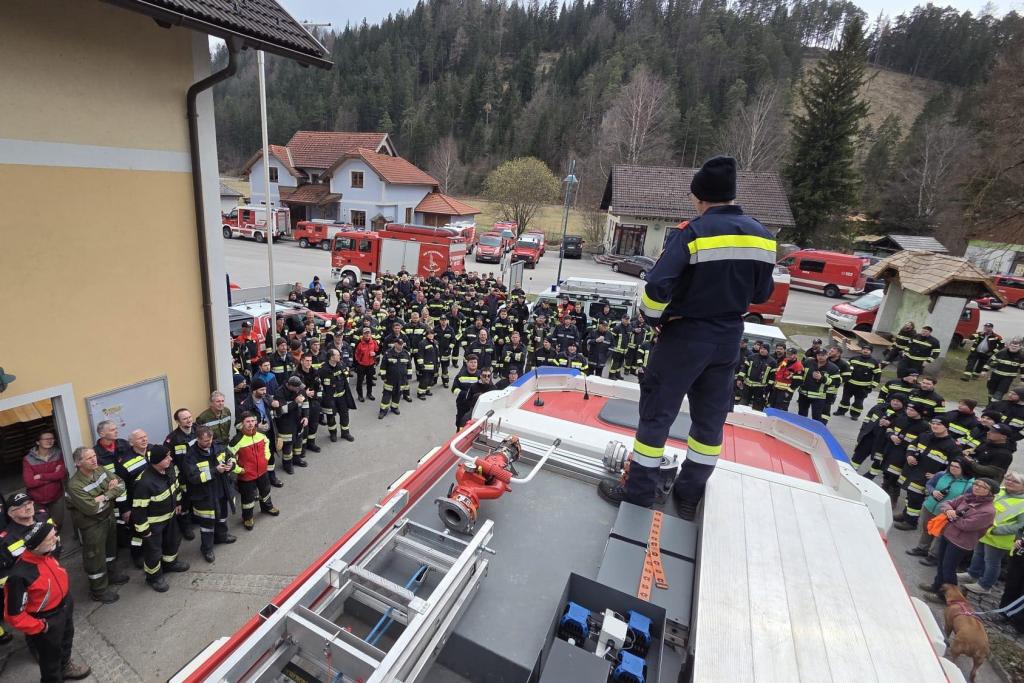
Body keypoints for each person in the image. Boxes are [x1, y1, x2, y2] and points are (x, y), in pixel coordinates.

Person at [597, 156, 776, 516]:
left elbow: (656, 286)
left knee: (657, 415)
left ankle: (639, 493)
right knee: (709, 421)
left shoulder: (693, 233)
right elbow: (761, 294)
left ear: (700, 196)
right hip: (728, 338)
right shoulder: (763, 237)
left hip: (685, 336)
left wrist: (652, 319)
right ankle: (689, 494)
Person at [4, 522, 92, 681]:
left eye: (55, 535)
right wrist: (40, 626)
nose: (56, 539)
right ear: (37, 545)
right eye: (51, 538)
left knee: (66, 642)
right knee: (50, 660)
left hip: (64, 608)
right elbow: (14, 616)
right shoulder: (19, 576)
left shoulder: (46, 554)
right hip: (47, 620)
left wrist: (67, 602)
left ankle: (65, 667)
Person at [65, 446, 129, 602]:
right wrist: (109, 493)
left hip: (108, 518)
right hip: (92, 526)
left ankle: (111, 575)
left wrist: (103, 497)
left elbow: (121, 484)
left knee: (110, 551)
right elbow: (92, 509)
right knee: (95, 557)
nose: (94, 459)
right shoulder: (74, 485)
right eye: (89, 458)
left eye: (94, 456)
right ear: (78, 463)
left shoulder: (100, 470)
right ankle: (99, 591)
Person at [920, 478, 997, 599]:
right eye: (976, 484)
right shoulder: (967, 497)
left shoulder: (988, 511)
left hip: (961, 542)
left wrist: (951, 516)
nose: (977, 487)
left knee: (949, 569)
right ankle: (937, 586)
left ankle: (945, 597)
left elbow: (967, 525)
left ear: (991, 492)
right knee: (941, 564)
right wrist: (949, 510)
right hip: (947, 534)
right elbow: (947, 503)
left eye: (983, 487)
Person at [132, 445, 189, 592]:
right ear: (157, 461)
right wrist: (144, 531)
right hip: (153, 524)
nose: (170, 458)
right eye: (166, 457)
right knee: (153, 552)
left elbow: (175, 487)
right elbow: (139, 509)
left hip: (170, 517)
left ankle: (170, 564)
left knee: (172, 542)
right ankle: (154, 577)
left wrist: (178, 502)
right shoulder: (144, 482)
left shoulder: (168, 470)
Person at [959, 471, 1024, 595]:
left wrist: (996, 530)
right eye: (1008, 479)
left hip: (999, 538)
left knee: (992, 562)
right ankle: (972, 574)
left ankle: (985, 585)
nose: (1009, 482)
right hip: (983, 531)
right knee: (978, 554)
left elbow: (1021, 526)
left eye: (1015, 481)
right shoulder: (1000, 490)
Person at [182, 426, 238, 564]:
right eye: (206, 441)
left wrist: (231, 465)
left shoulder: (218, 446)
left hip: (221, 488)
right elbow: (193, 478)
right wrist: (215, 471)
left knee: (223, 516)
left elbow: (231, 456)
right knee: (207, 523)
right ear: (198, 439)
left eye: (211, 439)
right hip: (204, 494)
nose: (209, 443)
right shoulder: (191, 456)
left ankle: (222, 536)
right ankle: (207, 548)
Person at [894, 417, 961, 530]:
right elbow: (912, 445)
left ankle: (911, 522)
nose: (934, 426)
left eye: (938, 424)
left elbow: (955, 465)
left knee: (916, 498)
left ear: (946, 427)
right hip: (912, 471)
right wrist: (909, 455)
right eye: (933, 423)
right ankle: (906, 514)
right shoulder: (924, 436)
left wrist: (938, 475)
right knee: (910, 495)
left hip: (926, 477)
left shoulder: (952, 446)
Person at [906, 459, 973, 566]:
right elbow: (929, 484)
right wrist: (933, 491)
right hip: (930, 506)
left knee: (940, 534)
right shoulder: (941, 474)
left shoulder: (970, 485)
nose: (953, 468)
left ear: (964, 469)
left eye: (957, 467)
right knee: (927, 528)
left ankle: (934, 556)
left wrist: (954, 511)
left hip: (946, 513)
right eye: (951, 465)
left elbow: (967, 501)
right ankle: (922, 548)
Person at [229, 413, 281, 531]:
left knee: (265, 491)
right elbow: (229, 457)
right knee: (248, 499)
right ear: (242, 424)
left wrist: (266, 458)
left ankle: (267, 507)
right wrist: (239, 470)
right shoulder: (236, 440)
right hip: (246, 476)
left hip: (262, 472)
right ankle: (247, 518)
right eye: (248, 421)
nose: (251, 424)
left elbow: (267, 444)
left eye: (252, 421)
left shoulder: (261, 435)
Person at [236, 378, 283, 488]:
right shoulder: (245, 405)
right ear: (254, 391)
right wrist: (257, 426)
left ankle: (272, 477)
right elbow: (238, 425)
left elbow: (278, 415)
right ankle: (258, 482)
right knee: (256, 460)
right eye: (262, 390)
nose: (264, 392)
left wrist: (277, 407)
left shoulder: (267, 399)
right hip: (254, 437)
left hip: (269, 433)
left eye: (265, 389)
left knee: (269, 455)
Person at [163, 408, 197, 541]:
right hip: (183, 477)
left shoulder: (199, 430)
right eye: (185, 419)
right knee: (184, 502)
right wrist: (175, 478)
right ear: (177, 421)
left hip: (198, 473)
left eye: (189, 417)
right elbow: (169, 462)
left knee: (198, 497)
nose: (189, 420)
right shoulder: (172, 439)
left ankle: (196, 517)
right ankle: (185, 526)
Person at [23, 430, 67, 530]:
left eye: (51, 438)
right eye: (46, 439)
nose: (49, 441)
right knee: (41, 527)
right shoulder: (28, 459)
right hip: (36, 499)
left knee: (58, 523)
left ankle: (56, 538)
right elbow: (29, 482)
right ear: (37, 442)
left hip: (56, 496)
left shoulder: (58, 454)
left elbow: (61, 474)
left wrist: (41, 476)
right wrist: (53, 476)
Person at [273, 376, 309, 474]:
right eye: (297, 388)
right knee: (288, 444)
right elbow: (280, 411)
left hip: (298, 419)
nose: (299, 389)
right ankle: (287, 464)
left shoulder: (300, 390)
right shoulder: (279, 393)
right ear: (290, 386)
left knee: (298, 440)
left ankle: (297, 459)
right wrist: (295, 402)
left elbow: (305, 404)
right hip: (285, 423)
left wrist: (306, 417)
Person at [834, 345, 880, 420]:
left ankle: (855, 415)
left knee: (858, 402)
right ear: (861, 350)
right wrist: (844, 378)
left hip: (863, 387)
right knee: (845, 399)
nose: (865, 351)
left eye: (868, 350)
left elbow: (878, 374)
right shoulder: (853, 358)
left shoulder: (874, 362)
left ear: (871, 352)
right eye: (864, 349)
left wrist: (873, 385)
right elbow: (846, 368)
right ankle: (841, 411)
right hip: (850, 384)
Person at [320, 348, 356, 442]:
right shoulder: (323, 370)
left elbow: (346, 376)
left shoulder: (341, 364)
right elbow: (319, 385)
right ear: (331, 357)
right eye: (337, 355)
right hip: (329, 398)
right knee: (330, 417)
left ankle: (345, 433)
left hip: (342, 396)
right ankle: (333, 433)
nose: (340, 356)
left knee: (345, 415)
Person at [292, 353, 324, 453]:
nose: (309, 363)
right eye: (307, 360)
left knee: (314, 424)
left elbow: (319, 387)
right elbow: (293, 391)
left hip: (314, 402)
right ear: (301, 361)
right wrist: (305, 393)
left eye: (310, 361)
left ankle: (311, 443)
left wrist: (317, 398)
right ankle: (302, 447)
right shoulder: (296, 375)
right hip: (302, 404)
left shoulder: (315, 372)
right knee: (303, 426)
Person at [796, 350, 838, 424]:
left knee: (816, 417)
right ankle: (800, 427)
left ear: (827, 355)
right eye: (819, 355)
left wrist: (822, 378)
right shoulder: (808, 362)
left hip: (818, 397)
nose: (820, 357)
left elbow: (836, 382)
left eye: (823, 355)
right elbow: (800, 372)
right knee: (801, 414)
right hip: (803, 393)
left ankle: (814, 430)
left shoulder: (833, 368)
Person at [379, 338, 413, 419]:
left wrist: (409, 377)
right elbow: (383, 366)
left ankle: (394, 407)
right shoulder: (388, 353)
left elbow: (409, 366)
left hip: (402, 379)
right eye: (399, 344)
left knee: (398, 394)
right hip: (390, 379)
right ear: (395, 344)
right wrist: (383, 377)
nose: (400, 346)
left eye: (401, 344)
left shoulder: (406, 353)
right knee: (386, 395)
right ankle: (383, 410)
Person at [986, 337, 1024, 402]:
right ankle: (990, 404)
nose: (1013, 347)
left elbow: (1023, 369)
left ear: (1020, 347)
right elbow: (990, 361)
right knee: (991, 391)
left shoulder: (1021, 357)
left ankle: (993, 406)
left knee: (999, 393)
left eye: (1016, 346)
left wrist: (1022, 380)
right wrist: (984, 370)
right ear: (1009, 345)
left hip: (1007, 378)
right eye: (1012, 345)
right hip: (995, 376)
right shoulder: (1000, 353)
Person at [736, 343, 773, 411]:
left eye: (764, 349)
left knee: (757, 407)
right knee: (743, 404)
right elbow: (744, 369)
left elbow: (772, 377)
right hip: (747, 386)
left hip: (760, 388)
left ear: (768, 350)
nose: (762, 350)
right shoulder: (751, 357)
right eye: (761, 348)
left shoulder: (772, 362)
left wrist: (768, 389)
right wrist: (739, 379)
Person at [453, 354, 481, 430]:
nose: (473, 364)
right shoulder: (461, 375)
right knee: (461, 423)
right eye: (471, 362)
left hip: (476, 405)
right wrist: (466, 394)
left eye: (475, 362)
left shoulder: (481, 375)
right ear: (467, 363)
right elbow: (454, 389)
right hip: (463, 404)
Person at [354, 328, 380, 401]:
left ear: (371, 334)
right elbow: (355, 354)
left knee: (369, 381)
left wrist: (375, 353)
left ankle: (369, 394)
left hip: (370, 365)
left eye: (368, 333)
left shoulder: (374, 342)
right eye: (365, 333)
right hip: (361, 365)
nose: (367, 334)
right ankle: (360, 395)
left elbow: (377, 350)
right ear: (363, 334)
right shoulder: (359, 343)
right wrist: (356, 364)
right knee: (360, 381)